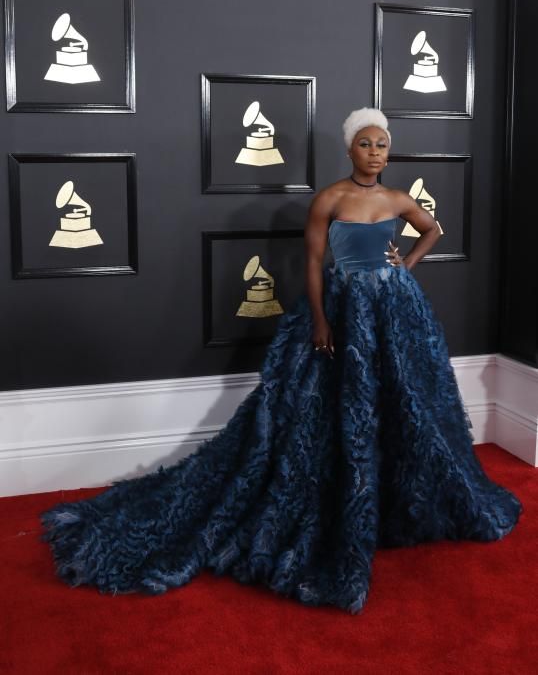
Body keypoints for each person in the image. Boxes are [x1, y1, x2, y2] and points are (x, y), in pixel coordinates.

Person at [40, 107, 522, 615]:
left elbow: (433, 229)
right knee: (335, 407)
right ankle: (344, 497)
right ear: (350, 148)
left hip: (396, 309)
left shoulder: (399, 199)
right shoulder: (329, 200)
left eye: (382, 144)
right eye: (366, 143)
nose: (375, 151)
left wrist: (408, 262)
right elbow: (313, 263)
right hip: (343, 306)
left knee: (404, 400)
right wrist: (319, 319)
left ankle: (391, 502)